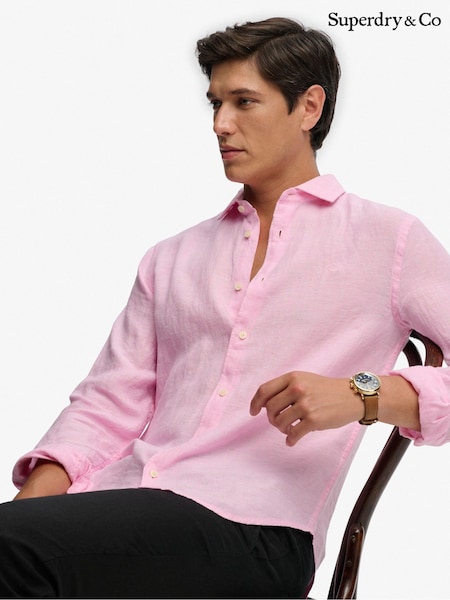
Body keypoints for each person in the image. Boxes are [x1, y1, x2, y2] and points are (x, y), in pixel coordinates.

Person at [1, 15, 450, 599]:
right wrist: (26, 516)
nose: (220, 123)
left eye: (244, 101)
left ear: (309, 107)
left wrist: (363, 394)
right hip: (130, 505)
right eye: (215, 103)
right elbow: (104, 404)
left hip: (259, 532)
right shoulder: (171, 258)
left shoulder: (388, 240)